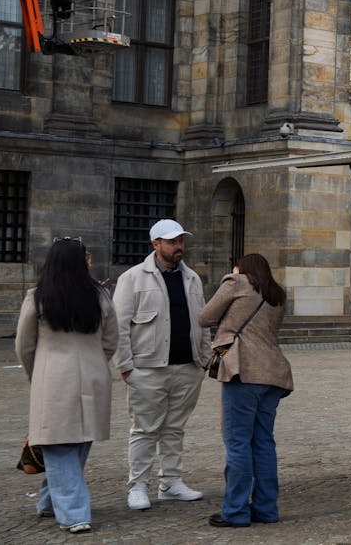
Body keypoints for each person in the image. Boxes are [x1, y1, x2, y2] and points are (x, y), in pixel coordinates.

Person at [15, 238, 119, 534]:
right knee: (74, 443)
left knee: (60, 446)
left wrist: (37, 374)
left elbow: (24, 345)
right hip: (93, 376)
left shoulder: (38, 297)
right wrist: (97, 362)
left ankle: (74, 514)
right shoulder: (100, 296)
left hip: (53, 379)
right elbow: (112, 340)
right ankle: (50, 502)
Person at [112, 219, 211, 510]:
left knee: (174, 428)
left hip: (187, 366)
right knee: (144, 429)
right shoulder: (132, 278)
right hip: (147, 368)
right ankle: (138, 485)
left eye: (180, 241)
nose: (178, 246)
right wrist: (126, 366)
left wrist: (203, 359)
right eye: (172, 242)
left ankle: (171, 482)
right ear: (155, 244)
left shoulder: (192, 277)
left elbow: (203, 322)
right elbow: (119, 325)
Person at [199, 254, 293, 528]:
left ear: (242, 269)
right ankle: (265, 509)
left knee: (237, 442)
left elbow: (205, 317)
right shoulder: (277, 294)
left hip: (244, 372)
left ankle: (235, 511)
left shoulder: (236, 282)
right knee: (263, 442)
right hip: (272, 374)